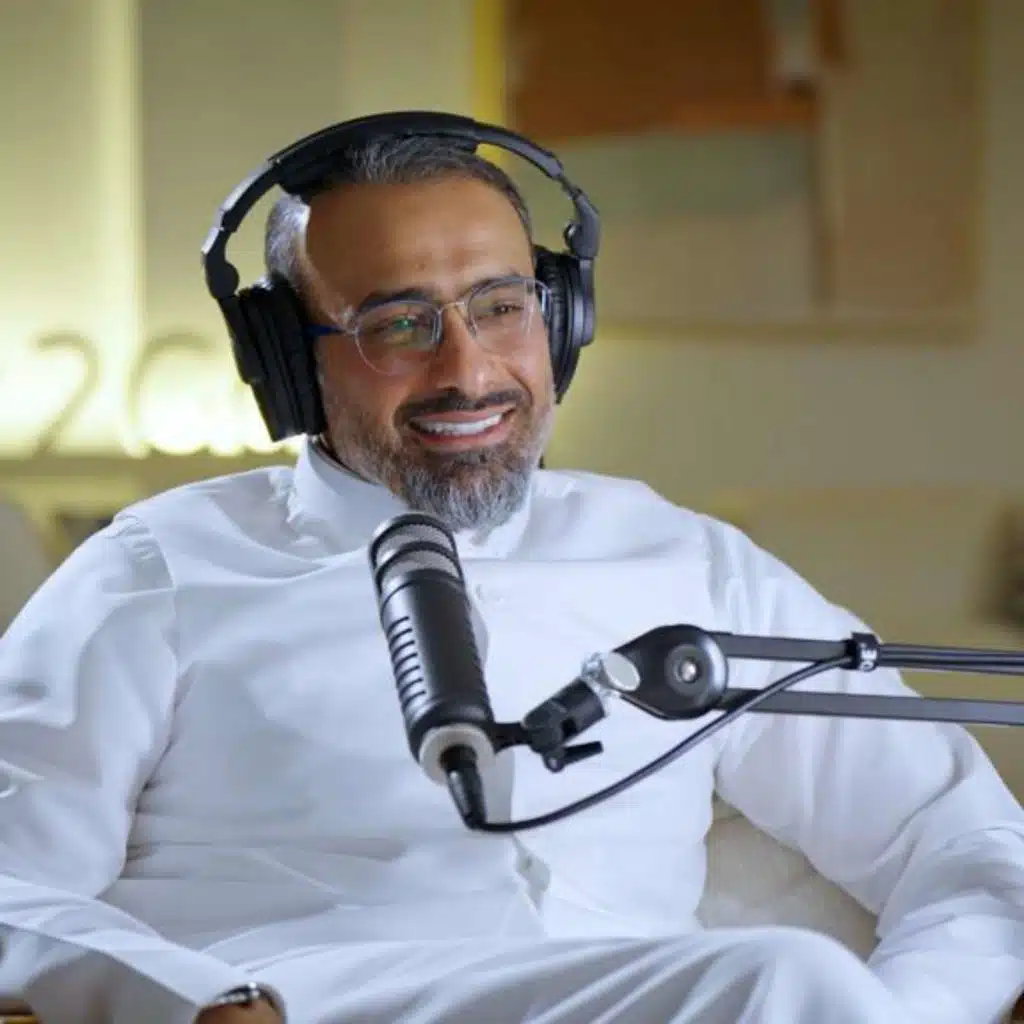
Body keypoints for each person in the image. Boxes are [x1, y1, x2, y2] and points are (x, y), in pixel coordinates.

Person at [0, 117, 1022, 1024]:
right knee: (776, 980)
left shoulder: (689, 562)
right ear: (286, 363)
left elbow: (959, 840)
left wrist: (900, 1011)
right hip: (319, 1000)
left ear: (561, 317)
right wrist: (193, 1006)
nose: (466, 370)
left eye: (499, 305)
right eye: (396, 324)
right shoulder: (157, 569)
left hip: (680, 1003)